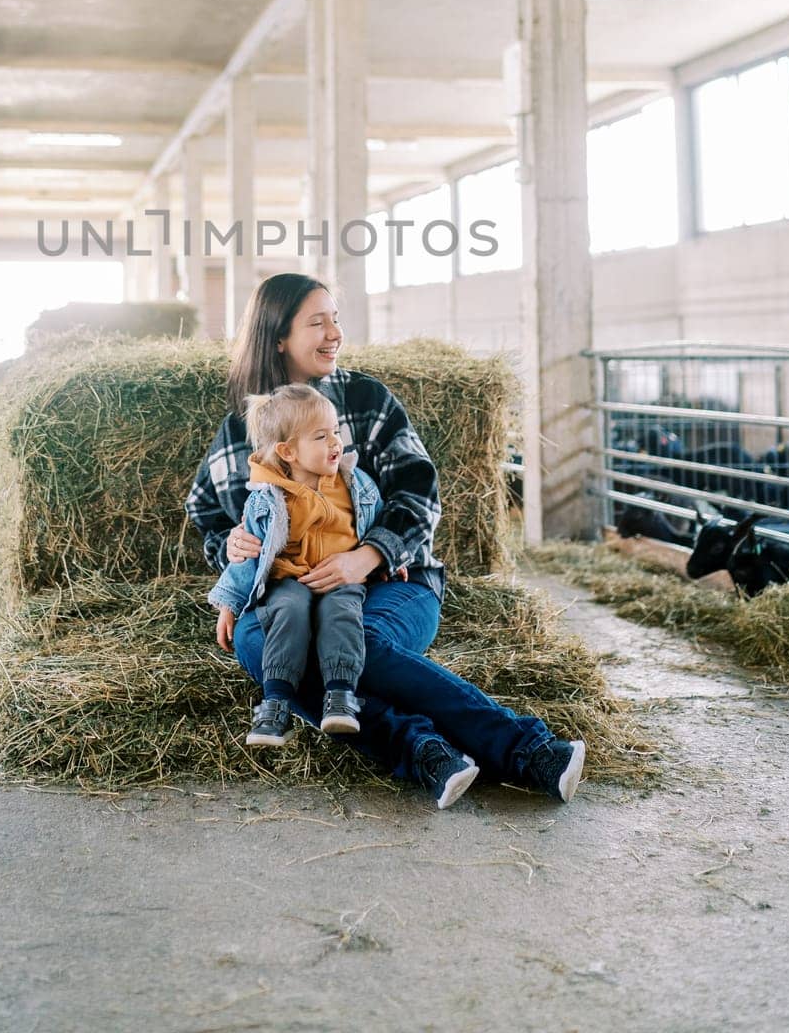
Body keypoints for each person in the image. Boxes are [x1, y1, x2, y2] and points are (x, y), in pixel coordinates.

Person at [187, 272, 586, 807]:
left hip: (395, 582)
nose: (334, 333)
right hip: (291, 596)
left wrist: (366, 556)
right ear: (278, 336)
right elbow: (207, 512)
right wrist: (233, 554)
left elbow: (419, 492)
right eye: (317, 322)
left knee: (356, 641)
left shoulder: (366, 400)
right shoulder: (246, 427)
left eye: (336, 319)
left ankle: (528, 749)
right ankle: (426, 752)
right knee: (261, 649)